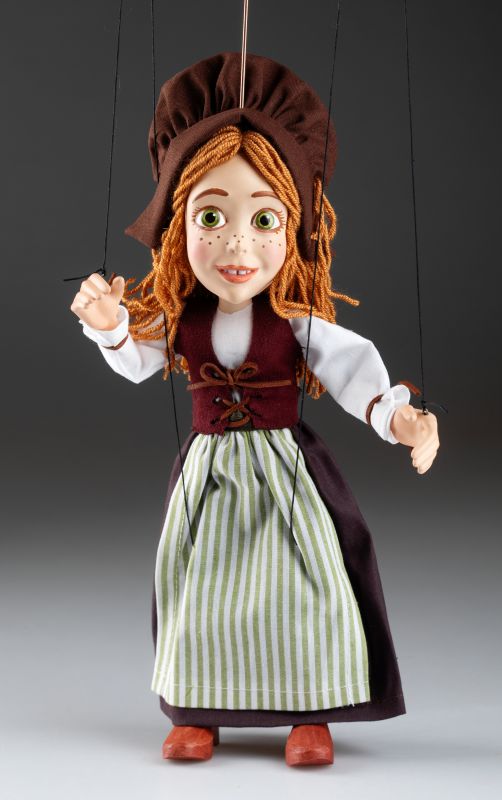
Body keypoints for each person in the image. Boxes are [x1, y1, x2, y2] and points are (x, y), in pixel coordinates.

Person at [70, 54, 439, 767]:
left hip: (287, 473)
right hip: (209, 476)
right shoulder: (183, 318)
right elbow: (137, 360)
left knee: (307, 586)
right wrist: (112, 325)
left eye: (264, 218)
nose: (238, 244)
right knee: (200, 586)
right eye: (212, 216)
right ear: (178, 225)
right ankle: (198, 709)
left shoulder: (295, 323)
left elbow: (354, 373)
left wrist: (403, 420)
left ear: (295, 228)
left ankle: (311, 709)